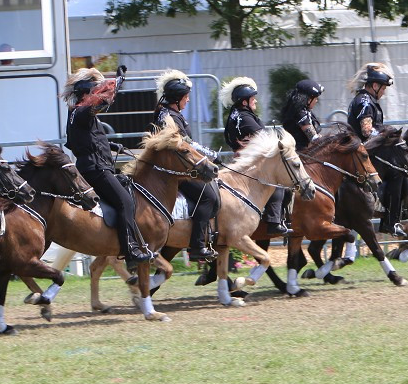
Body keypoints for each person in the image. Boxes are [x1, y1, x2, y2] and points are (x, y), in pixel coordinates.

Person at [63, 65, 154, 268]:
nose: (98, 93)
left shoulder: (76, 113)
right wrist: (119, 81)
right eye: (93, 91)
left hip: (94, 165)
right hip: (97, 169)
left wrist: (110, 145)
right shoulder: (83, 111)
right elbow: (103, 100)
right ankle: (130, 251)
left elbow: (82, 140)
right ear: (86, 94)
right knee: (125, 202)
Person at [151, 70, 218, 262]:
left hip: (180, 167)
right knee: (208, 196)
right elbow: (185, 142)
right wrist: (212, 155)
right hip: (173, 172)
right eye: (186, 97)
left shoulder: (170, 113)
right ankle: (197, 246)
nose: (188, 100)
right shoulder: (168, 117)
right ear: (177, 98)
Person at [220, 76, 289, 235]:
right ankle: (273, 221)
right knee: (278, 185)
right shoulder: (244, 117)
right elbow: (264, 138)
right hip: (251, 164)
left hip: (243, 160)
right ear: (244, 102)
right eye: (253, 99)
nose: (255, 102)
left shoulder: (235, 114)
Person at [347, 61, 408, 238]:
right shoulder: (365, 102)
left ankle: (392, 213)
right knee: (397, 173)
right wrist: (386, 134)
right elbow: (367, 130)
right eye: (383, 88)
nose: (384, 92)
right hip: (364, 152)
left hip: (368, 149)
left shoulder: (366, 99)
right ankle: (390, 220)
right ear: (375, 85)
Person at [280, 79, 324, 150]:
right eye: (316, 98)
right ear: (309, 99)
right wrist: (332, 139)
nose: (316, 101)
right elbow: (314, 139)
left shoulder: (303, 110)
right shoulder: (300, 113)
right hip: (300, 154)